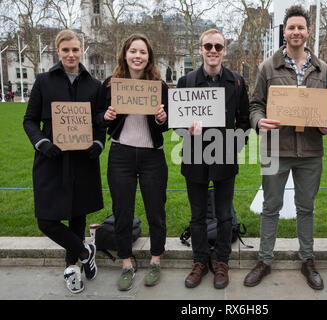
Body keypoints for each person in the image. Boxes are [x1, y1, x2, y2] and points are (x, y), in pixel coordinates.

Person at [245, 5, 327, 291]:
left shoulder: (323, 70)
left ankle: (307, 260)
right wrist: (260, 121)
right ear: (283, 32)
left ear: (308, 32)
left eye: (301, 27)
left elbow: (325, 108)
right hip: (276, 148)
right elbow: (255, 105)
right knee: (271, 207)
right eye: (291, 27)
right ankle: (264, 259)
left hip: (310, 152)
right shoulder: (267, 67)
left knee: (306, 207)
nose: (296, 32)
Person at [23, 29, 105, 294]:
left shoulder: (94, 85)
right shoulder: (44, 81)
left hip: (82, 159)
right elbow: (29, 120)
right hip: (52, 157)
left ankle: (73, 271)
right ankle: (84, 251)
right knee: (46, 220)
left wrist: (98, 144)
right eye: (66, 50)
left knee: (77, 214)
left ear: (82, 51)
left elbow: (100, 122)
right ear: (57, 51)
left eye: (75, 50)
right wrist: (42, 142)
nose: (71, 55)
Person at [176, 28, 250, 289]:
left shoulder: (237, 81)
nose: (213, 51)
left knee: (223, 215)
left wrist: (234, 146)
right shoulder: (186, 82)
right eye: (208, 46)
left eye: (218, 47)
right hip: (195, 155)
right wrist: (188, 131)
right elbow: (177, 124)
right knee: (197, 215)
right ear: (200, 49)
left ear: (224, 51)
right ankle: (199, 261)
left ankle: (222, 262)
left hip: (224, 154)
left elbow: (243, 121)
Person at [99, 33, 169, 291]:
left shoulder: (159, 86)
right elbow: (98, 116)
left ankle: (155, 259)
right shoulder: (111, 84)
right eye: (133, 51)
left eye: (142, 52)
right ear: (125, 54)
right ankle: (126, 263)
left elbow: (169, 123)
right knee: (122, 211)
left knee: (156, 210)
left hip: (152, 155)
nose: (138, 56)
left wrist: (162, 118)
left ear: (149, 57)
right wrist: (106, 116)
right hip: (121, 155)